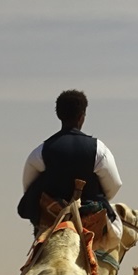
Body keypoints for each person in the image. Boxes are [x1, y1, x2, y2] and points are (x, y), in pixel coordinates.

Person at [19, 89, 123, 238]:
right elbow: (114, 185)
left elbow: (28, 186)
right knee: (116, 233)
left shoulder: (40, 151)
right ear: (82, 117)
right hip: (89, 215)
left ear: (59, 115)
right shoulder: (99, 149)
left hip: (53, 218)